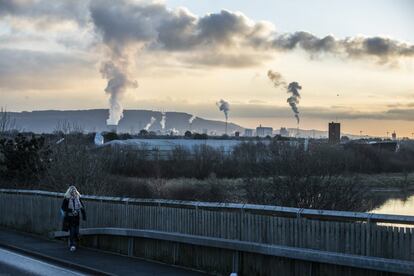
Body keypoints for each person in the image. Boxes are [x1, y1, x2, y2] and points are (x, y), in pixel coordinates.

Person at [61, 186, 86, 252]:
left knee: (76, 232)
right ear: (69, 192)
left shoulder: (78, 198)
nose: (73, 192)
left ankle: (75, 243)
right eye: (72, 191)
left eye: (74, 191)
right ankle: (72, 245)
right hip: (70, 217)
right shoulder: (67, 199)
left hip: (76, 217)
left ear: (76, 191)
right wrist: (71, 211)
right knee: (72, 231)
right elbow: (63, 208)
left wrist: (84, 215)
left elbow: (82, 207)